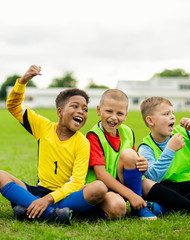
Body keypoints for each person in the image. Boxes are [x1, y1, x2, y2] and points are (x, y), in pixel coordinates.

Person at [0, 65, 107, 224]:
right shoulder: (43, 127)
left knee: (99, 188)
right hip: (40, 192)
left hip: (66, 196)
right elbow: (13, 106)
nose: (81, 112)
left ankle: (29, 207)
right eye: (75, 106)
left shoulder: (83, 142)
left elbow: (77, 182)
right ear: (59, 112)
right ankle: (51, 214)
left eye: (85, 109)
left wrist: (49, 199)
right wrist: (22, 82)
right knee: (1, 175)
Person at [85, 89, 157, 220]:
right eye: (109, 111)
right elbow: (100, 174)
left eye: (119, 113)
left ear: (125, 116)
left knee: (130, 155)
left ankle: (138, 209)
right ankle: (92, 211)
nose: (113, 117)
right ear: (98, 110)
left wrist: (143, 165)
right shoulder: (94, 135)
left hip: (120, 184)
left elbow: (133, 163)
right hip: (100, 188)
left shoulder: (127, 132)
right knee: (118, 209)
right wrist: (131, 195)